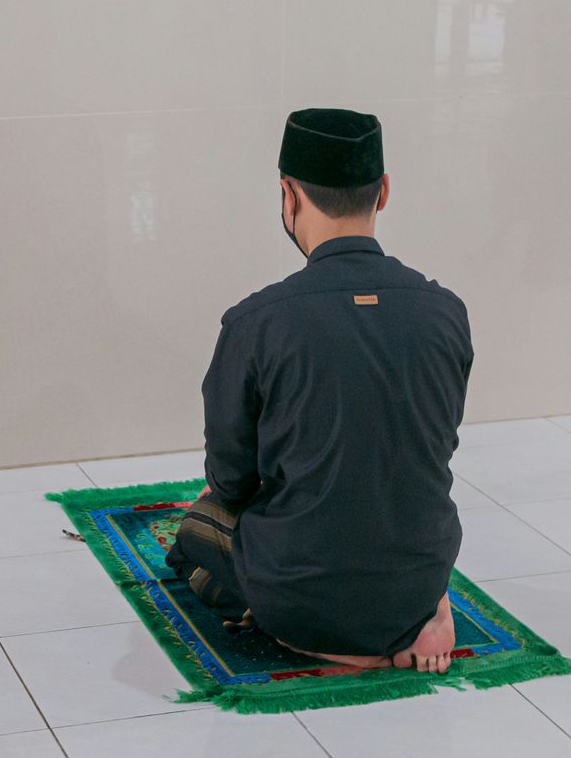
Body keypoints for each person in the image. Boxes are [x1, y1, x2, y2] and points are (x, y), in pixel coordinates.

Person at [164, 108, 473, 674]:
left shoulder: (257, 321)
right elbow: (430, 446)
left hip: (297, 598)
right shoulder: (445, 312)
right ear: (383, 192)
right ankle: (425, 609)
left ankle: (324, 640)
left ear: (288, 194)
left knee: (194, 538)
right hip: (417, 579)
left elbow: (230, 478)